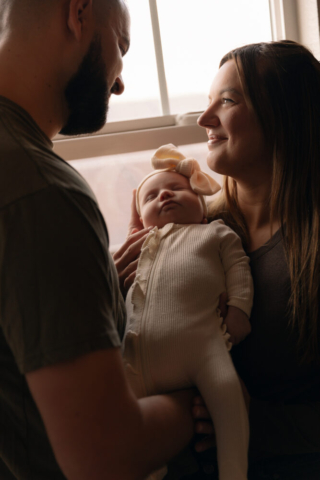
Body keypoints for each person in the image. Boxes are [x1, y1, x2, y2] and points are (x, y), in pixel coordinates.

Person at [0, 1, 206, 479]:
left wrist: (93, 294)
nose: (119, 82)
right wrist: (201, 400)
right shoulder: (43, 192)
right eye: (122, 46)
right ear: (79, 14)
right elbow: (105, 455)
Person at [118, 40, 320, 480]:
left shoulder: (310, 248)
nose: (204, 119)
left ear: (286, 114)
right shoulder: (190, 228)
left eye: (226, 101)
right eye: (208, 102)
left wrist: (255, 419)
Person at [122, 143, 253, 480]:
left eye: (176, 189)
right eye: (151, 197)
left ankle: (234, 471)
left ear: (203, 208)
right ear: (140, 222)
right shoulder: (140, 248)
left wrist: (239, 309)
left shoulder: (214, 232)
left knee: (229, 400)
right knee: (121, 423)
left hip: (205, 346)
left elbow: (239, 267)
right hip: (138, 354)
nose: (164, 195)